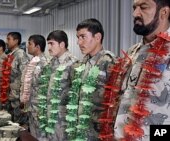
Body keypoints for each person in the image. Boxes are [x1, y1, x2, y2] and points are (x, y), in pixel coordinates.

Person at [114, 0, 170, 140]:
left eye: (143, 7)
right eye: (134, 8)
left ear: (164, 12)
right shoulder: (132, 52)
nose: (135, 13)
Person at [67, 18, 116, 141]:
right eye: (78, 37)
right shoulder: (82, 63)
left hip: (97, 131)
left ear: (97, 37)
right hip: (80, 128)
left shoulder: (109, 62)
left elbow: (116, 100)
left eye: (83, 37)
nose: (79, 42)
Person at [44, 30, 78, 141]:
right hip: (50, 113)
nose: (48, 47)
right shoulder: (52, 62)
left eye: (51, 43)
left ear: (62, 44)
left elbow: (76, 94)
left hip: (64, 118)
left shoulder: (73, 63)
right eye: (48, 43)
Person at [19, 35, 49, 137]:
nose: (27, 46)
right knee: (32, 133)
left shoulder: (45, 62)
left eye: (30, 44)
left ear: (38, 46)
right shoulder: (32, 61)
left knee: (40, 135)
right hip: (31, 106)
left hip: (39, 107)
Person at [4, 32, 30, 125]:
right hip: (11, 94)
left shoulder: (21, 55)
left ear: (16, 41)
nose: (6, 42)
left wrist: (24, 97)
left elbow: (26, 76)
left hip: (18, 96)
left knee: (18, 124)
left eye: (8, 39)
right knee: (11, 123)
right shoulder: (11, 55)